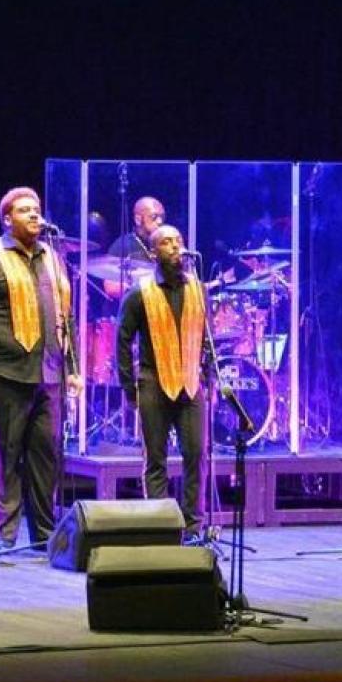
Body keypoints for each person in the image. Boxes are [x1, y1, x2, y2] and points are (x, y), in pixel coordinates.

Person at [0, 186, 82, 553]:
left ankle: (44, 536)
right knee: (5, 457)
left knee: (46, 457)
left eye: (37, 209)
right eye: (25, 210)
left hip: (49, 374)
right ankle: (4, 539)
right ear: (7, 219)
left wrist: (72, 367)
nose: (34, 215)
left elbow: (64, 317)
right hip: (1, 372)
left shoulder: (52, 258)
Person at [117, 225, 208, 536]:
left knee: (195, 453)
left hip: (190, 382)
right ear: (153, 252)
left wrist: (204, 371)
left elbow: (204, 335)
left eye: (178, 241)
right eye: (167, 243)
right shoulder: (139, 292)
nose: (175, 247)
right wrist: (129, 386)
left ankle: (193, 524)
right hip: (153, 381)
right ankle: (159, 524)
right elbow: (123, 340)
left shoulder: (197, 287)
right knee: (156, 457)